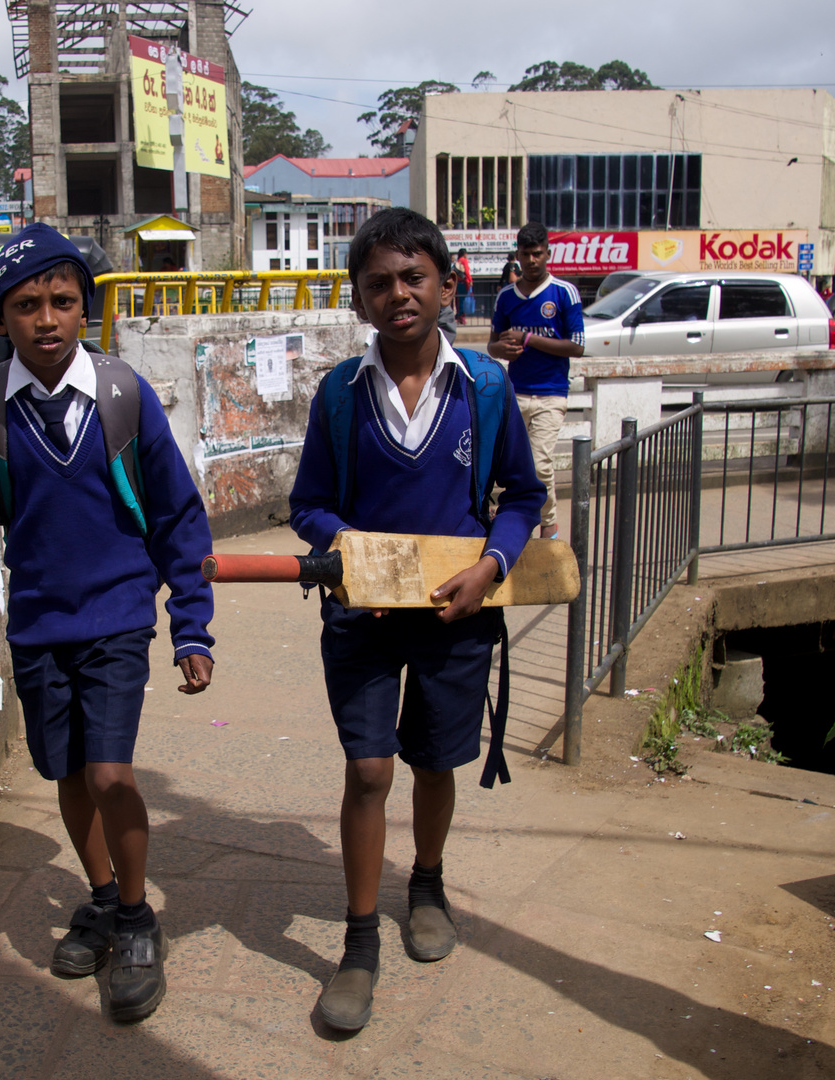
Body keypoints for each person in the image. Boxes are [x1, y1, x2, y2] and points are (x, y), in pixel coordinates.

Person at [0, 222, 216, 1022]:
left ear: (86, 306)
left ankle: (137, 917)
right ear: (3, 316)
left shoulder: (123, 397)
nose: (47, 319)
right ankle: (99, 897)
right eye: (27, 306)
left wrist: (191, 623)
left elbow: (179, 520)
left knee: (111, 773)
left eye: (62, 301)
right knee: (68, 774)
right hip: (39, 624)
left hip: (119, 615)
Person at [288, 207, 545, 1032]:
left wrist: (492, 565)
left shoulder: (487, 389)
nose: (398, 295)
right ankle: (359, 944)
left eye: (412, 278)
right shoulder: (340, 394)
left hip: (454, 613)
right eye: (378, 284)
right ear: (359, 301)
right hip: (363, 616)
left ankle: (425, 883)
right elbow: (309, 506)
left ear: (444, 285)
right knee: (369, 771)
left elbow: (525, 497)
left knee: (437, 762)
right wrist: (350, 545)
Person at [487, 222, 585, 541]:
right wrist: (504, 349)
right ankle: (514, 522)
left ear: (547, 254)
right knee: (509, 465)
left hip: (551, 394)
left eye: (538, 254)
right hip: (515, 393)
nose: (532, 260)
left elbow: (577, 346)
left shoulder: (563, 293)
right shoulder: (506, 297)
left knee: (540, 464)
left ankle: (549, 525)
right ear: (518, 255)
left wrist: (528, 338)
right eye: (526, 254)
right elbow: (492, 344)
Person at [453, 248, 473, 324]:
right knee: (464, 299)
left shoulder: (458, 261)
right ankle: (462, 316)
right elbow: (467, 271)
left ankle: (459, 315)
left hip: (458, 282)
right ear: (464, 254)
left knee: (459, 299)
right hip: (464, 282)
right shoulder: (464, 260)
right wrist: (470, 280)